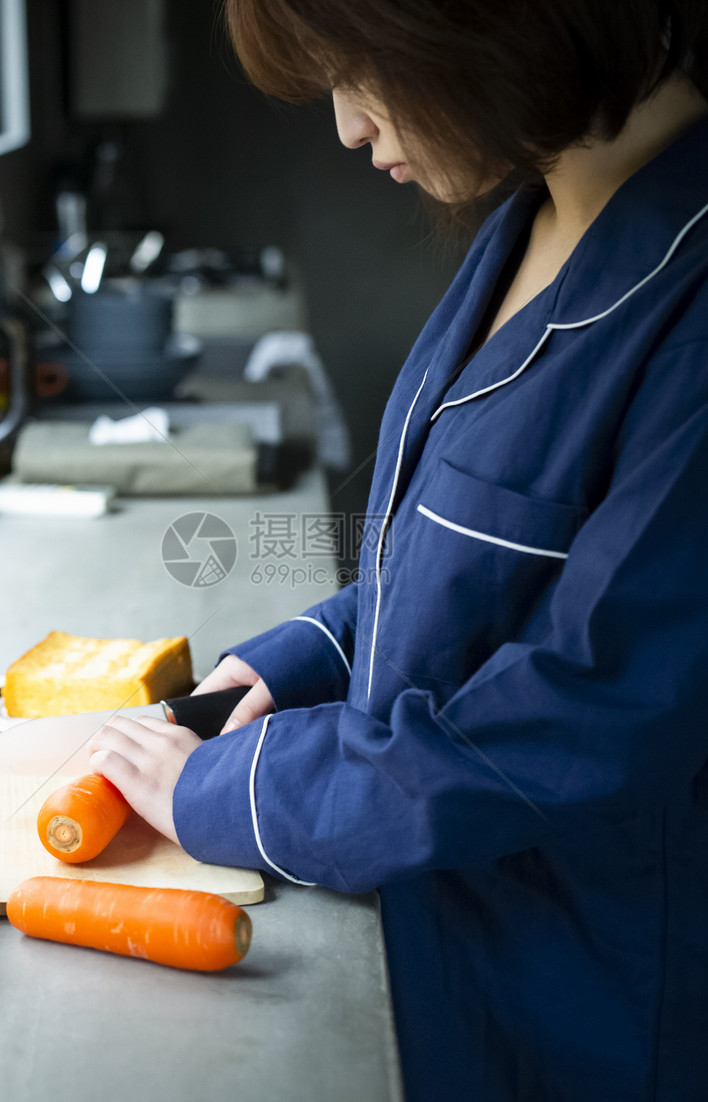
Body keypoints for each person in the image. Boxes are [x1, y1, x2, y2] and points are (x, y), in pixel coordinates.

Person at [89, 3, 708, 1098]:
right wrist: (297, 658)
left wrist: (241, 791)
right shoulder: (530, 214)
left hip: (589, 1005)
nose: (343, 124)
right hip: (454, 949)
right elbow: (461, 555)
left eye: (358, 67)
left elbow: (589, 705)